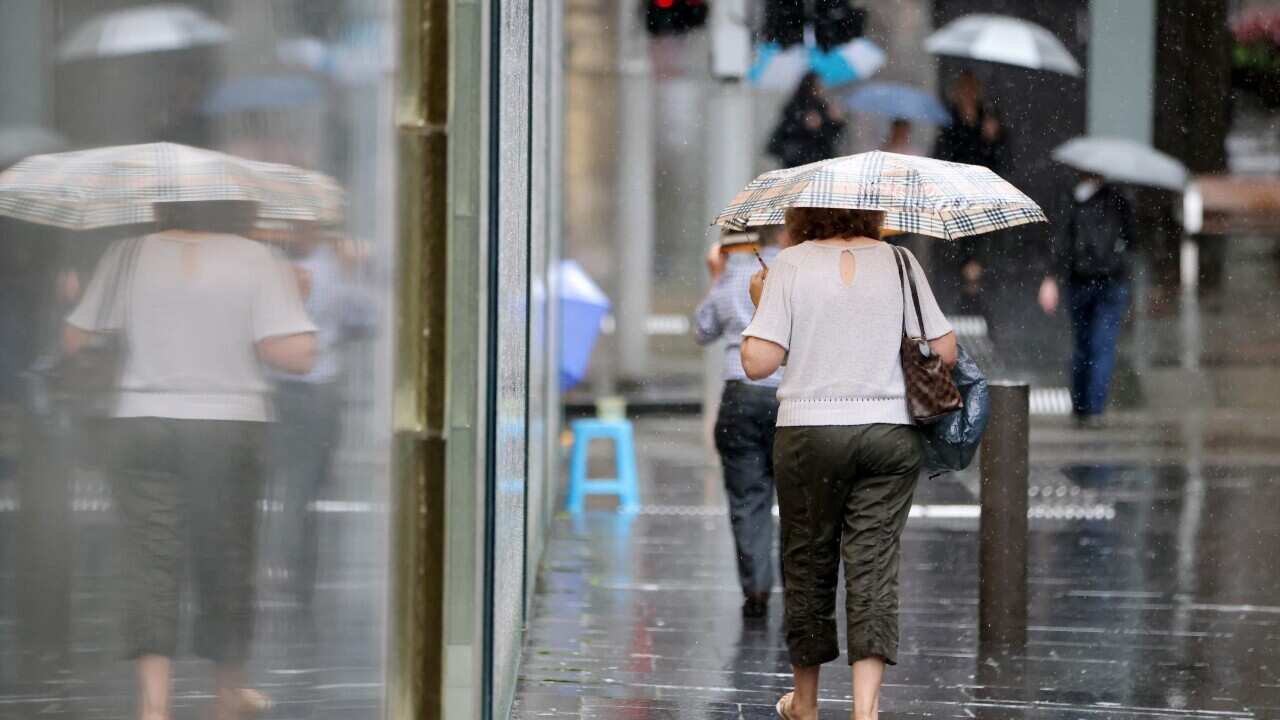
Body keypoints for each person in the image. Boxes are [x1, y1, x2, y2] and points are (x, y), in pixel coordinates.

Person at [64, 200, 317, 720]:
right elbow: (295, 355)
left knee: (149, 560)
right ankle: (227, 696)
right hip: (229, 425)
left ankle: (154, 706)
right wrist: (296, 299)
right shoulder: (257, 259)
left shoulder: (126, 254)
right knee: (227, 557)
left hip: (142, 422)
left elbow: (75, 339)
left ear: (163, 203)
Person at [740, 207, 956, 720]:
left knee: (808, 562)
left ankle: (805, 703)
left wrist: (761, 302)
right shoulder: (901, 262)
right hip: (888, 434)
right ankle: (865, 710)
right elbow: (944, 351)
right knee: (874, 567)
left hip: (808, 436)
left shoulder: (790, 265)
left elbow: (756, 363)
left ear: (803, 214)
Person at [266, 225, 375, 611]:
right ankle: (291, 566)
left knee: (299, 485)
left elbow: (365, 317)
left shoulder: (280, 265)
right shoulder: (315, 266)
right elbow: (365, 318)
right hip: (301, 387)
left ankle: (291, 565)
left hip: (300, 387)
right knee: (300, 485)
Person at [693, 226, 794, 620]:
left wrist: (715, 275)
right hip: (791, 398)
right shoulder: (800, 272)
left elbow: (702, 329)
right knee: (799, 500)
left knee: (747, 498)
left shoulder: (735, 271)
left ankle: (756, 589)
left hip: (741, 395)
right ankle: (798, 590)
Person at [1038, 173, 1137, 427]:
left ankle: (1082, 406)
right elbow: (1132, 239)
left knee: (1083, 345)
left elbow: (1061, 241)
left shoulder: (1074, 199)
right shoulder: (1119, 199)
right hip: (1111, 281)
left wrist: (1051, 276)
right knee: (1101, 346)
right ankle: (1093, 409)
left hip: (1081, 280)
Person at [933, 71, 1008, 312]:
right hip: (954, 197)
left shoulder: (989, 118)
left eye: (971, 89)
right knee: (955, 257)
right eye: (963, 90)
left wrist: (992, 138)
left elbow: (1002, 160)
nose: (967, 95)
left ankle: (980, 303)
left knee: (982, 251)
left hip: (983, 197)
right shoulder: (948, 120)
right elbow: (942, 155)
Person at [767, 73, 847, 169]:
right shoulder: (795, 106)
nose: (820, 89)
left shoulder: (823, 106)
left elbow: (831, 136)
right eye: (817, 86)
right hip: (798, 161)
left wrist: (837, 122)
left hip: (820, 160)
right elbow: (787, 130)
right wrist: (803, 123)